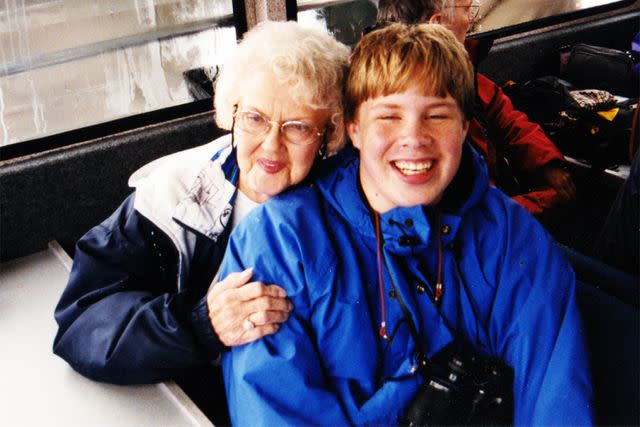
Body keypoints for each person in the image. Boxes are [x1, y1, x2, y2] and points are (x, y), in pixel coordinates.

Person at [219, 23, 593, 425]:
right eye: (389, 116)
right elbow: (272, 410)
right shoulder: (279, 243)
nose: (414, 138)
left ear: (465, 127)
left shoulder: (514, 243)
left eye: (437, 115)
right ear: (354, 128)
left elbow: (556, 403)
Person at [52, 20, 349, 421]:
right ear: (232, 112)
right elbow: (83, 319)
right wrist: (200, 325)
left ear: (329, 132)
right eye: (255, 119)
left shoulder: (351, 201)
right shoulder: (174, 195)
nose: (271, 144)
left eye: (297, 126)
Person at [377, 0, 576, 218]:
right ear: (439, 24)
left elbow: (507, 118)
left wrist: (547, 162)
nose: (472, 20)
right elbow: (478, 220)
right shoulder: (431, 113)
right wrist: (547, 199)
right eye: (467, 11)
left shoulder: (462, 78)